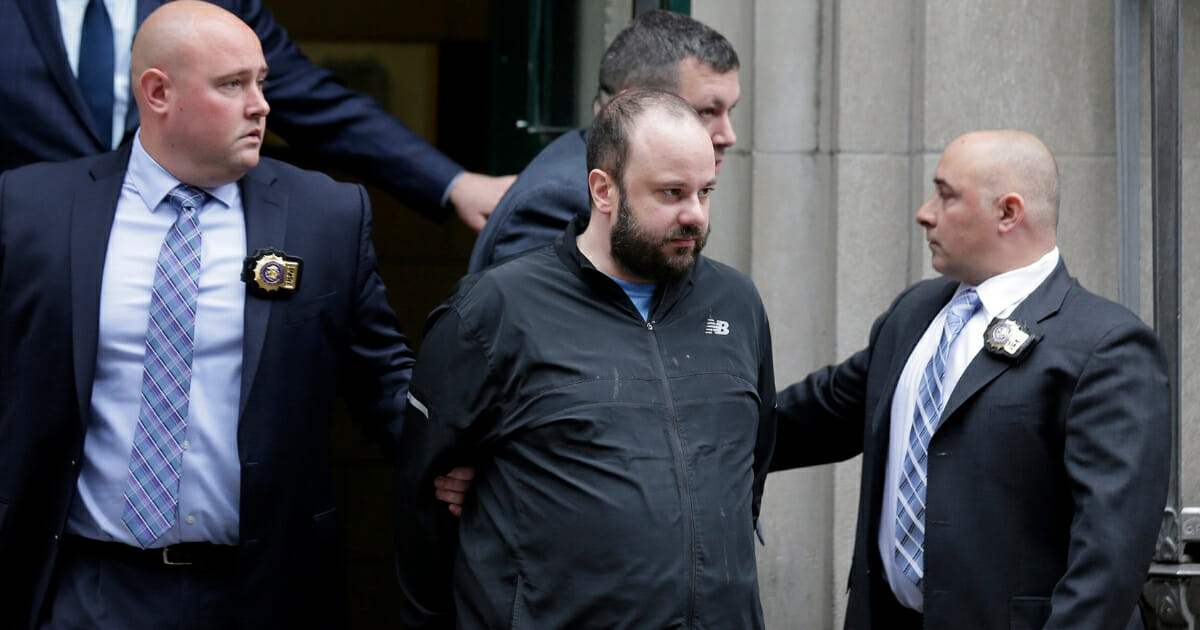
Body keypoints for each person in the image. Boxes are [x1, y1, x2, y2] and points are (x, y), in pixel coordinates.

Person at [0, 3, 417, 628]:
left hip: (262, 590)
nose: (261, 106)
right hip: (84, 586)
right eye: (232, 85)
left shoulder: (324, 215)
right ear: (158, 92)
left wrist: (455, 459)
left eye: (261, 82)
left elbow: (384, 381)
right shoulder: (30, 208)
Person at [396, 89, 776, 629]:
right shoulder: (494, 311)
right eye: (671, 193)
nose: (695, 215)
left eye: (705, 192)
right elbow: (423, 517)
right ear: (603, 190)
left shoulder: (737, 303)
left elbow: (749, 474)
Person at [771, 130, 1170, 630]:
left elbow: (1109, 560)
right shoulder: (914, 312)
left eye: (946, 194)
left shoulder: (1107, 346)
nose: (925, 212)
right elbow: (822, 413)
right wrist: (684, 428)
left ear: (1008, 213)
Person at [0, 0, 513, 231]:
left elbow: (308, 99)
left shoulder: (215, 2)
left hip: (179, 256)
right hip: (20, 259)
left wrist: (452, 182)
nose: (256, 103)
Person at [467, 9, 739, 272]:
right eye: (705, 112)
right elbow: (536, 312)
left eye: (730, 110)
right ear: (630, 104)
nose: (728, 136)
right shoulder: (559, 200)